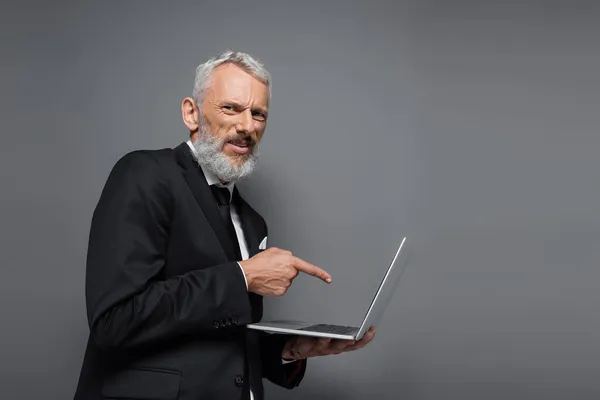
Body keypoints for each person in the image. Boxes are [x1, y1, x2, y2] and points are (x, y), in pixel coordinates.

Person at [73, 51, 376, 400]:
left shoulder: (250, 221)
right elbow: (115, 321)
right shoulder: (144, 175)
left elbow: (220, 341)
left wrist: (291, 349)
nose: (247, 126)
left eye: (258, 114)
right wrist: (242, 276)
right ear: (192, 112)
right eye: (231, 108)